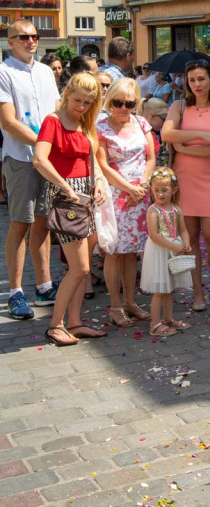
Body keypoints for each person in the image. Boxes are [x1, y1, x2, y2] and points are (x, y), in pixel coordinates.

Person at [33, 72, 108, 345]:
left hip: (85, 196)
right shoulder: (53, 120)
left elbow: (93, 159)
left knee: (80, 268)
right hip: (67, 198)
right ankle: (56, 325)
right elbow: (39, 160)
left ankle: (74, 323)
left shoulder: (84, 122)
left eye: (88, 102)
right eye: (77, 100)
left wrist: (98, 180)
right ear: (67, 94)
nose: (81, 106)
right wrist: (64, 187)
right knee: (80, 268)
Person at [161, 59, 210, 311]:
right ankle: (198, 294)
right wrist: (202, 135)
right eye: (191, 80)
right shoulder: (179, 106)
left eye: (201, 79)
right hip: (184, 180)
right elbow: (167, 134)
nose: (196, 84)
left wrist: (183, 147)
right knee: (189, 238)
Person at [0, 19, 61, 320]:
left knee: (43, 223)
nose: (30, 41)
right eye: (23, 37)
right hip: (22, 159)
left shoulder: (46, 71)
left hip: (46, 159)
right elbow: (8, 121)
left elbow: (57, 109)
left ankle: (44, 285)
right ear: (10, 41)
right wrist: (43, 142)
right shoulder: (4, 71)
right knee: (20, 224)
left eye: (34, 36)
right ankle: (15, 293)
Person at [96, 78, 156, 328]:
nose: (123, 108)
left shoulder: (142, 123)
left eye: (129, 103)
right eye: (118, 102)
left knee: (132, 253)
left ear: (136, 103)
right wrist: (128, 188)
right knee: (114, 252)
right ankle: (115, 305)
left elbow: (151, 157)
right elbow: (102, 164)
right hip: (115, 195)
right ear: (110, 101)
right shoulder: (100, 127)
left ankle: (130, 301)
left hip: (139, 196)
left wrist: (141, 186)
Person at [139, 167, 191, 337]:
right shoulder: (153, 210)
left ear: (174, 190)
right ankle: (155, 324)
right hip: (160, 251)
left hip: (173, 248)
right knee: (160, 289)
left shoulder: (177, 209)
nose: (160, 194)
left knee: (170, 288)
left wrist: (186, 243)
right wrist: (173, 246)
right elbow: (153, 235)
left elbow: (183, 229)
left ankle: (168, 318)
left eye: (164, 190)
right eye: (156, 190)